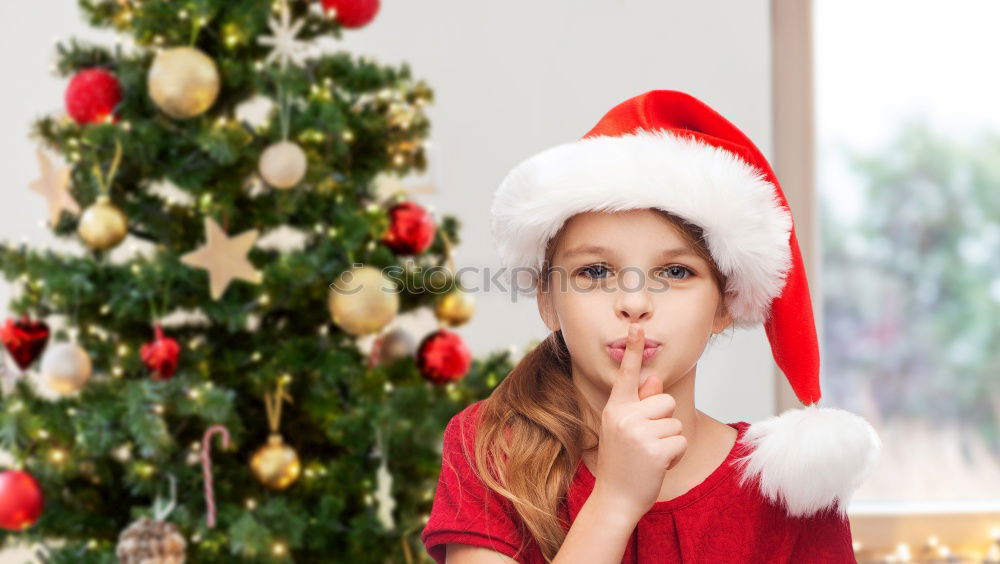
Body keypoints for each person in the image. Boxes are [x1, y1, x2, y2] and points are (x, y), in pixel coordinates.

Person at [420, 90, 881, 563]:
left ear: (724, 305)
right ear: (548, 300)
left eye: (676, 272)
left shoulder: (791, 489)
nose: (635, 303)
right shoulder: (492, 449)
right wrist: (616, 501)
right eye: (595, 272)